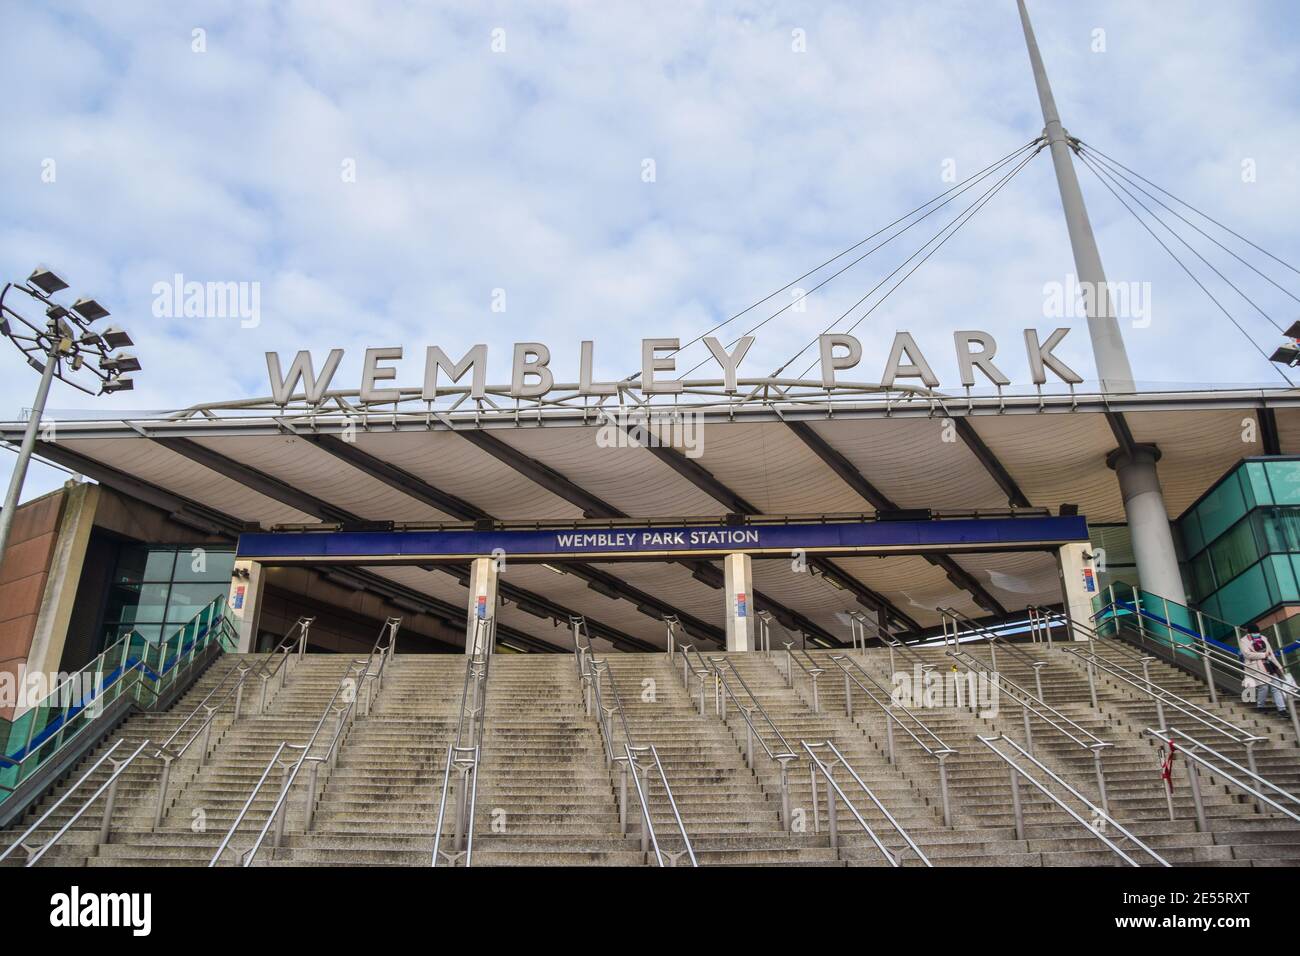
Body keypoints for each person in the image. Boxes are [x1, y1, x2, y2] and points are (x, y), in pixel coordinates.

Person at [1239, 628, 1288, 714]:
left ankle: (1282, 709)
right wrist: (1263, 655)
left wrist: (1279, 666)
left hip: (1269, 665)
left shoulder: (1263, 638)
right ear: (1249, 633)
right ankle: (1260, 706)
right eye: (1254, 632)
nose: (1256, 634)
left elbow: (1271, 654)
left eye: (1257, 632)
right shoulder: (1243, 641)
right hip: (1257, 667)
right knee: (1264, 687)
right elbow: (1247, 654)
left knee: (1276, 687)